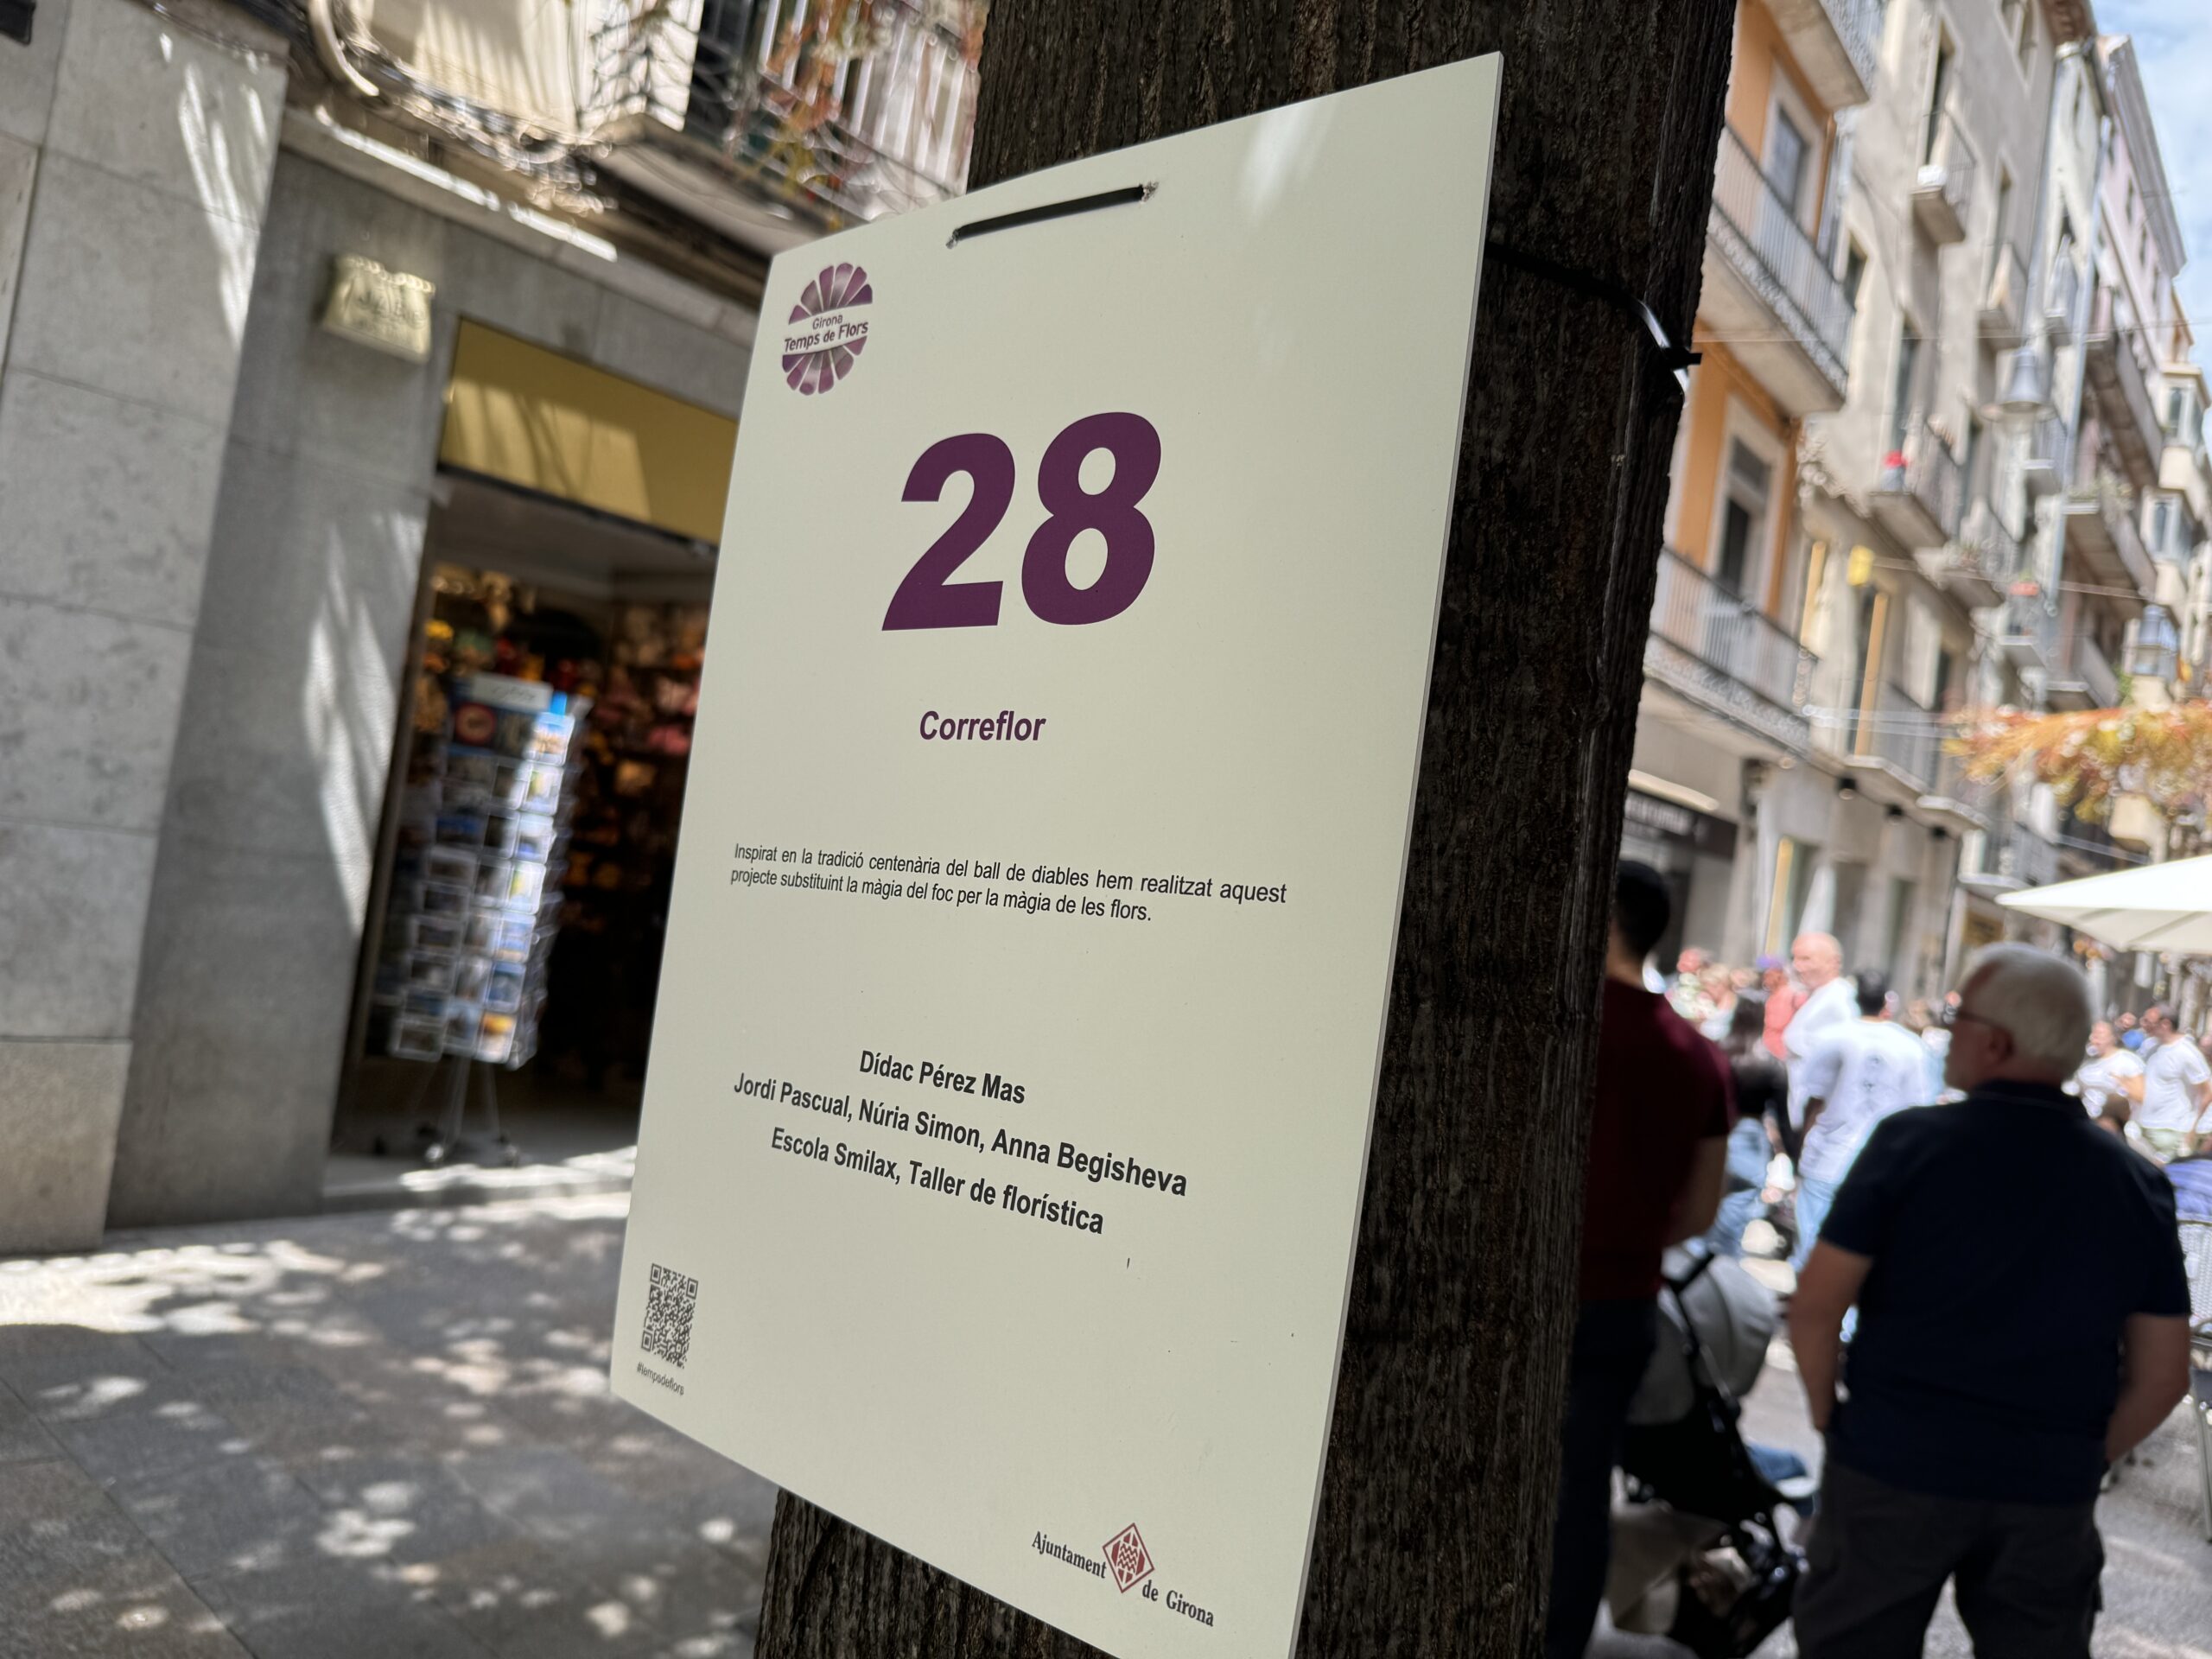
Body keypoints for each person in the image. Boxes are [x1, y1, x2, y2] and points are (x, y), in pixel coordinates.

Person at [1789, 946, 2191, 1659]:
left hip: (1893, 1461)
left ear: (1997, 1042)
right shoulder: (2135, 1183)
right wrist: (2080, 1456)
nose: (1948, 1030)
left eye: (1960, 1018)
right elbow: (2164, 1375)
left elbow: (1817, 1307)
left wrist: (1831, 1419)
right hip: (2046, 1489)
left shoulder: (1910, 1145)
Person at [1545, 862, 1732, 1659]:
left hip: (1536, 1295)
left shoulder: (1557, 1022)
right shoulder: (1698, 1055)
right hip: (1623, 1302)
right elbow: (1701, 1211)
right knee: (1581, 1491)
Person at [1789, 970, 1929, 1273]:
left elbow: (1813, 1098)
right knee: (1857, 1257)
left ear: (1856, 999)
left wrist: (1800, 1144)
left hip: (1830, 1155)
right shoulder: (1910, 1046)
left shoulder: (1834, 1036)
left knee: (1811, 1250)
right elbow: (1917, 1107)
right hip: (1878, 1163)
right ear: (1887, 1002)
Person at [1708, 995, 1784, 1257]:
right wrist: (1789, 1154)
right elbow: (1783, 1119)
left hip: (1713, 1134)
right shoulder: (1772, 1064)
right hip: (1749, 1141)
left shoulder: (1715, 1053)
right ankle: (1721, 1267)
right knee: (1735, 1217)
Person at [1783, 932, 1854, 1135]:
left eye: (1806, 959)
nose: (1797, 966)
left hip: (1818, 1124)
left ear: (1833, 962)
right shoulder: (1820, 995)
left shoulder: (1841, 999)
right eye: (1794, 958)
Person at [2131, 1004, 2210, 1161]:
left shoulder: (2186, 1052)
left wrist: (2192, 1130)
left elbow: (2207, 1092)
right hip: (2143, 1126)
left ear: (2165, 1024)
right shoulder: (2150, 1047)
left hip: (2172, 1130)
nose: (2143, 1025)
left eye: (2148, 1021)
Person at [2075, 1020, 2145, 1135]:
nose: (2094, 1038)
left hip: (2119, 1128)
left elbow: (2140, 1095)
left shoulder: (2127, 1061)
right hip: (2089, 1125)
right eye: (2092, 1034)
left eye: (2099, 1034)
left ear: (2112, 1038)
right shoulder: (2086, 1064)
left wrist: (2121, 1084)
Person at [1758, 955, 1802, 1061]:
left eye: (1769, 974)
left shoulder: (1796, 996)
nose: (1765, 979)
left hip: (1786, 1056)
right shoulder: (1770, 997)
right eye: (1764, 975)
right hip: (1767, 1054)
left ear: (1780, 974)